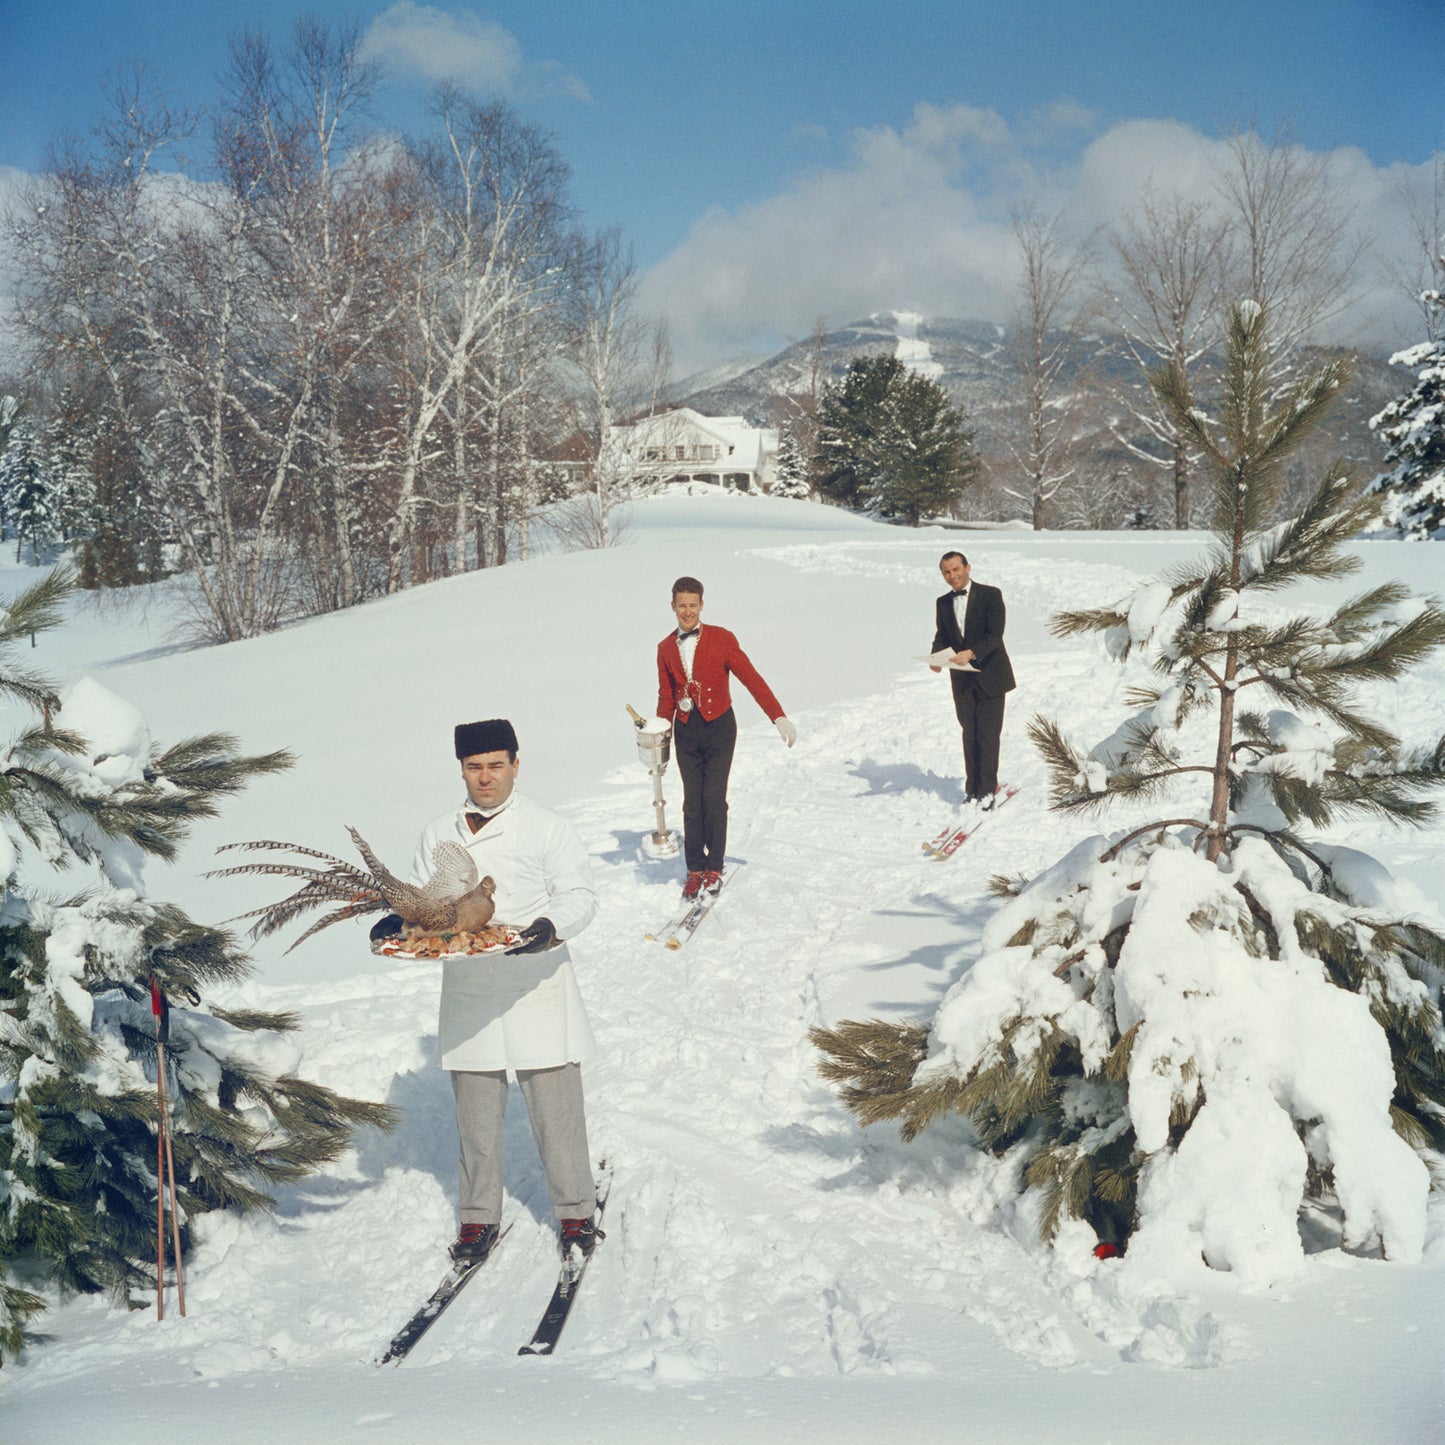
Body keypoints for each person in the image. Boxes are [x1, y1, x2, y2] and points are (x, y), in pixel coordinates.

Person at [375, 718, 601, 1264]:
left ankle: (574, 1211)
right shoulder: (437, 833)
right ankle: (478, 1219)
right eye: (474, 768)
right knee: (475, 1113)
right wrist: (396, 921)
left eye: (496, 765)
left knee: (555, 1107)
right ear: (461, 770)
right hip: (470, 985)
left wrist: (549, 928)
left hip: (535, 980)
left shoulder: (548, 826)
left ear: (516, 765)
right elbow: (425, 904)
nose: (485, 777)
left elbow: (581, 894)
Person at [655, 576, 796, 898]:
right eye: (682, 606)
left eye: (693, 605)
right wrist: (660, 738)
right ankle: (694, 868)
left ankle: (714, 865)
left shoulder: (722, 639)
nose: (687, 612)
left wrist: (778, 716)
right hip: (686, 731)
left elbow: (751, 677)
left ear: (702, 605)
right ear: (673, 606)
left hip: (720, 727)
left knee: (714, 799)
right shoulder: (664, 648)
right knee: (692, 802)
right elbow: (666, 696)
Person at [930, 550, 1015, 806]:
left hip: (991, 675)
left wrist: (972, 652)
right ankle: (972, 789)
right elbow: (943, 634)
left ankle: (988, 790)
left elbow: (995, 635)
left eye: (956, 569)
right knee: (969, 732)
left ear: (968, 567)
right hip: (962, 679)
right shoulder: (943, 602)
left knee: (987, 734)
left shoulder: (991, 595)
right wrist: (936, 658)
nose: (952, 576)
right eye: (946, 572)